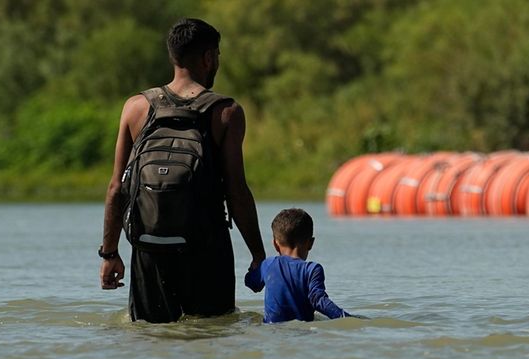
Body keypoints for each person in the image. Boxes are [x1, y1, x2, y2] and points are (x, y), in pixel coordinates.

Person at [98, 18, 266, 323]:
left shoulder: (136, 107)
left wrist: (109, 254)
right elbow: (236, 191)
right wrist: (258, 255)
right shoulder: (226, 112)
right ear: (208, 57)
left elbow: (116, 188)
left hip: (149, 249)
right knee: (212, 330)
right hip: (206, 249)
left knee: (151, 335)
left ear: (172, 56)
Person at [245, 208, 351, 323]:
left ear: (275, 244)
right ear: (310, 243)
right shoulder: (312, 269)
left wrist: (254, 267)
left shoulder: (268, 264)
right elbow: (318, 300)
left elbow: (252, 284)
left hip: (272, 332)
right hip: (303, 333)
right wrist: (347, 318)